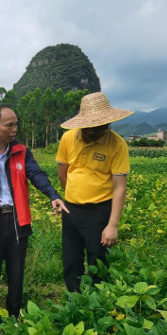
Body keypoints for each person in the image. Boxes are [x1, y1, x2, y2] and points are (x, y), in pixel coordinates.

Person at [0, 104, 68, 335]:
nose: (14, 129)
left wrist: (53, 196)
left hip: (17, 221)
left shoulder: (21, 151)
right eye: (9, 125)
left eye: (16, 124)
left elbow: (37, 175)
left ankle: (14, 314)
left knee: (16, 271)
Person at [57, 92, 133, 292]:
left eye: (98, 128)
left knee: (98, 262)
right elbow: (63, 173)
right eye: (88, 129)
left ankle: (98, 305)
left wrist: (112, 225)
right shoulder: (68, 138)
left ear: (108, 124)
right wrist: (76, 195)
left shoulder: (117, 144)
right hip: (71, 211)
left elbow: (120, 186)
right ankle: (74, 301)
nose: (93, 133)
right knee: (71, 261)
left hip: (99, 211)